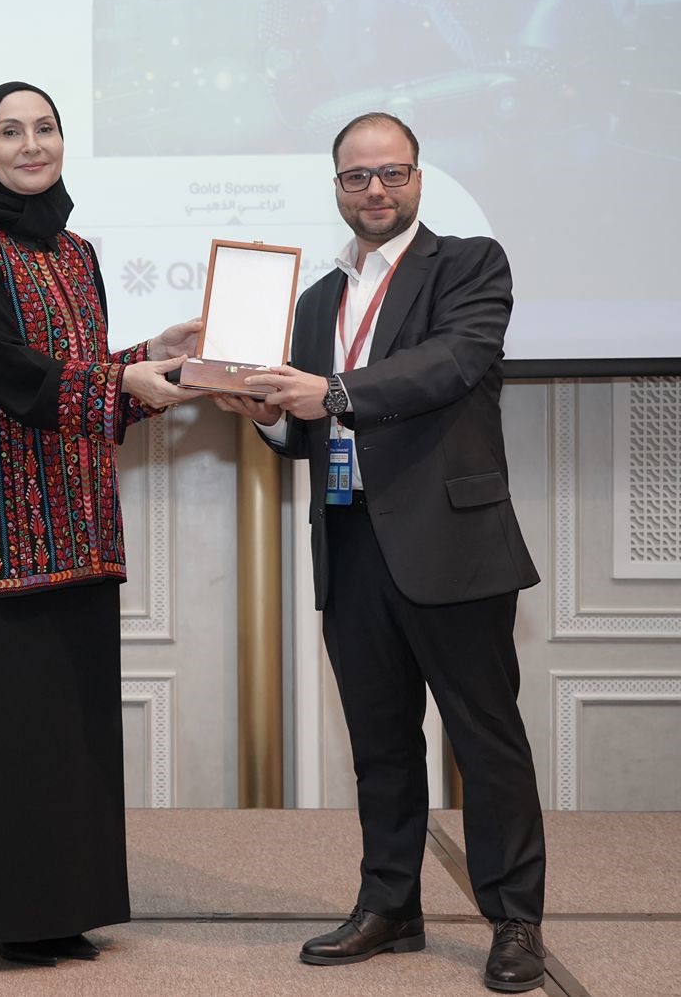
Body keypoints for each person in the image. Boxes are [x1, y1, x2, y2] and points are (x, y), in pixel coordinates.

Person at [214, 112, 548, 993]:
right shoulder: (316, 300)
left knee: (486, 740)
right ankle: (391, 905)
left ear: (418, 178)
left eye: (392, 173)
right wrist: (270, 415)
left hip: (453, 540)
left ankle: (515, 919)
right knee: (380, 741)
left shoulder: (468, 265)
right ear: (336, 187)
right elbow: (306, 428)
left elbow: (451, 363)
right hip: (351, 535)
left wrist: (329, 390)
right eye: (357, 176)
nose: (375, 190)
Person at [0, 82, 202, 966]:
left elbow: (78, 374)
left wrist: (155, 357)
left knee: (75, 731)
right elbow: (11, 371)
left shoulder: (77, 252)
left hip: (79, 523)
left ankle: (67, 908)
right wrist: (120, 381)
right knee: (12, 732)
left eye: (45, 128)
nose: (30, 144)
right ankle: (14, 917)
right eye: (11, 131)